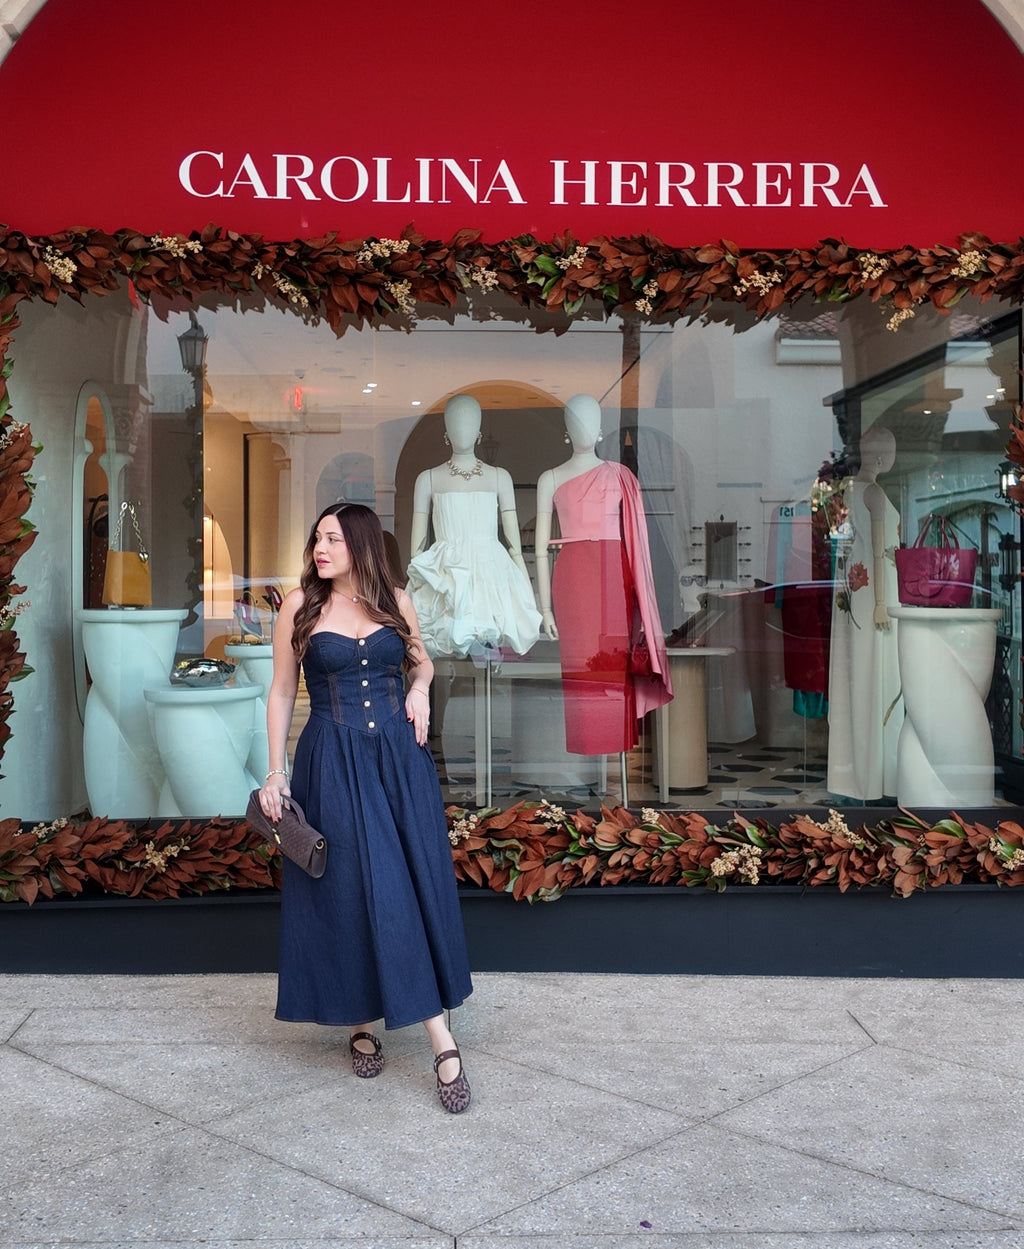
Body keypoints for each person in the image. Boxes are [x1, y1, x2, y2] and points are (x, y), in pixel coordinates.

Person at [257, 502, 473, 1113]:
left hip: (398, 763)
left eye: (332, 539)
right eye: (316, 537)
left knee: (402, 883)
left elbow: (423, 661)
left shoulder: (395, 601)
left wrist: (420, 689)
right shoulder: (300, 607)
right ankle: (413, 1034)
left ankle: (412, 1026)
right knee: (352, 886)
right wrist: (276, 773)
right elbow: (279, 691)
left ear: (359, 544)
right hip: (331, 759)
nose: (320, 548)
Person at [534, 393, 672, 755]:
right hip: (574, 574)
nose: (583, 428)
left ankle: (615, 741)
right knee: (581, 664)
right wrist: (545, 609)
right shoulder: (549, 478)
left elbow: (638, 538)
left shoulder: (620, 476)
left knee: (613, 659)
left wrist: (643, 599)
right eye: (575, 421)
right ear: (566, 431)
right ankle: (586, 740)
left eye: (591, 420)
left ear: (600, 430)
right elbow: (539, 549)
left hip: (615, 573)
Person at [406, 393, 541, 658]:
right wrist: (422, 589)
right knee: (448, 641)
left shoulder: (500, 477)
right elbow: (417, 550)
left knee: (488, 636)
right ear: (446, 431)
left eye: (469, 423)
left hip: (490, 571)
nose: (462, 430)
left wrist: (525, 595)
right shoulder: (428, 479)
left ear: (480, 431)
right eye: (456, 423)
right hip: (446, 573)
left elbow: (515, 546)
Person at [827, 425, 903, 800]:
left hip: (855, 590)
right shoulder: (872, 491)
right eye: (889, 451)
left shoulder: (847, 490)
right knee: (874, 674)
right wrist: (881, 603)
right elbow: (877, 548)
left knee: (855, 674)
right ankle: (874, 776)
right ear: (877, 455)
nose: (892, 458)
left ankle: (857, 774)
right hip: (874, 592)